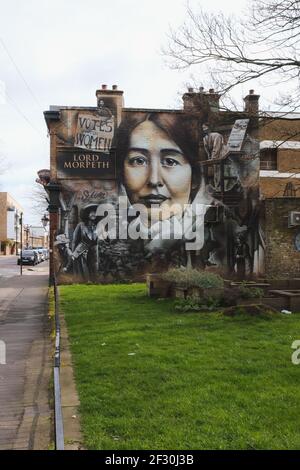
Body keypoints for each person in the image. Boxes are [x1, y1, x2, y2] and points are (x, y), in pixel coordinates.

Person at [114, 113, 214, 269]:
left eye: (170, 161)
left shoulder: (213, 229)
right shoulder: (120, 231)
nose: (154, 180)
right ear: (121, 174)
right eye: (139, 160)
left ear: (195, 178)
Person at [71, 204, 100, 281]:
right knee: (84, 268)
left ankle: (94, 281)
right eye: (92, 213)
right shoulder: (81, 225)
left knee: (94, 267)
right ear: (88, 214)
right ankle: (86, 281)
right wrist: (74, 252)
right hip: (82, 250)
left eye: (95, 212)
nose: (94, 214)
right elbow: (74, 240)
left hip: (94, 252)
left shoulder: (96, 226)